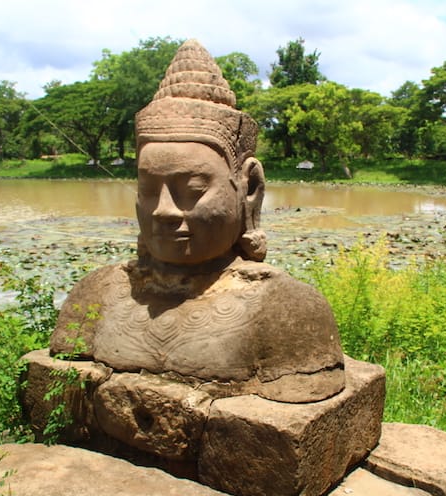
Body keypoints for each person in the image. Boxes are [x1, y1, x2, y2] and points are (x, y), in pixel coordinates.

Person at [50, 40, 345, 403]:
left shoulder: (287, 311)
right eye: (148, 189)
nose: (163, 211)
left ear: (249, 188)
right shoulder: (96, 295)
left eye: (192, 189)